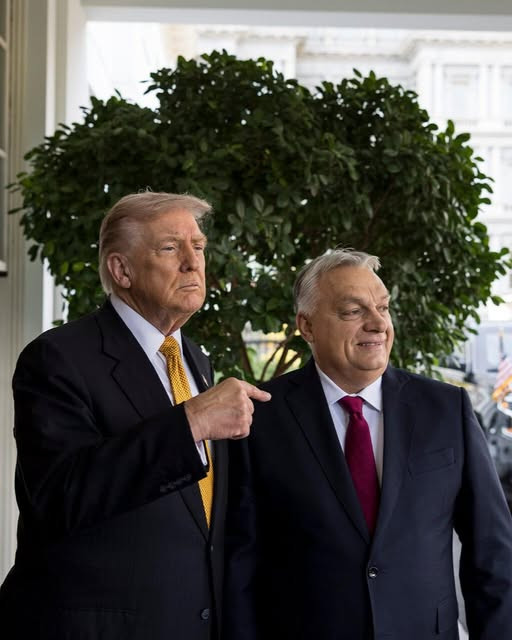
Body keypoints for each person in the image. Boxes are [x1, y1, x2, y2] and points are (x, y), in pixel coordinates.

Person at [0, 191, 270, 640]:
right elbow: (59, 496)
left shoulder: (195, 359)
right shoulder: (56, 358)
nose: (193, 263)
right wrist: (191, 423)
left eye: (198, 246)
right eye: (170, 248)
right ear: (121, 270)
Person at [224, 248, 512, 640]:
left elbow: (492, 551)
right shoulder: (261, 418)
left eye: (383, 307)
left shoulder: (447, 409)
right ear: (307, 326)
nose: (378, 324)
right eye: (353, 311)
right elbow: (240, 564)